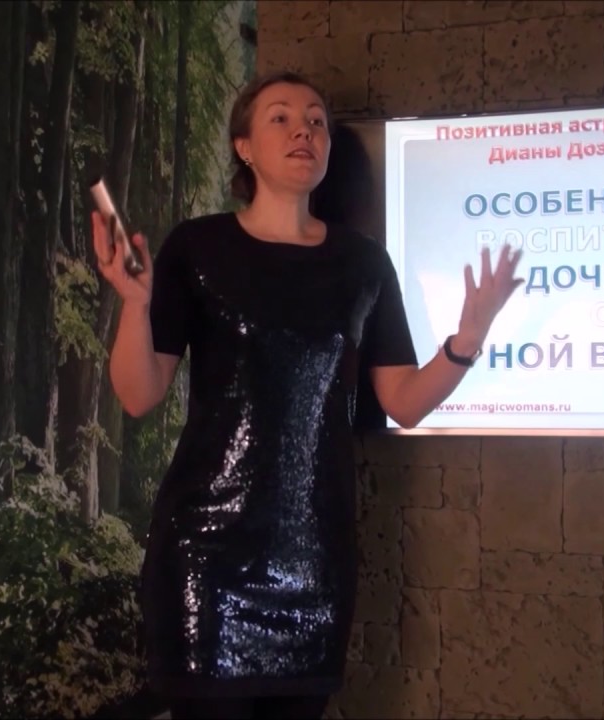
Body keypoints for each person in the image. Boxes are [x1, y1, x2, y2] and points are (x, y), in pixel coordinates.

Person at [91, 70, 522, 720]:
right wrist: (133, 304)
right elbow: (137, 394)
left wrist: (468, 338)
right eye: (282, 118)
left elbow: (404, 401)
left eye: (317, 121)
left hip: (314, 559)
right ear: (244, 146)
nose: (304, 131)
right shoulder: (197, 247)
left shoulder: (362, 263)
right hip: (206, 555)